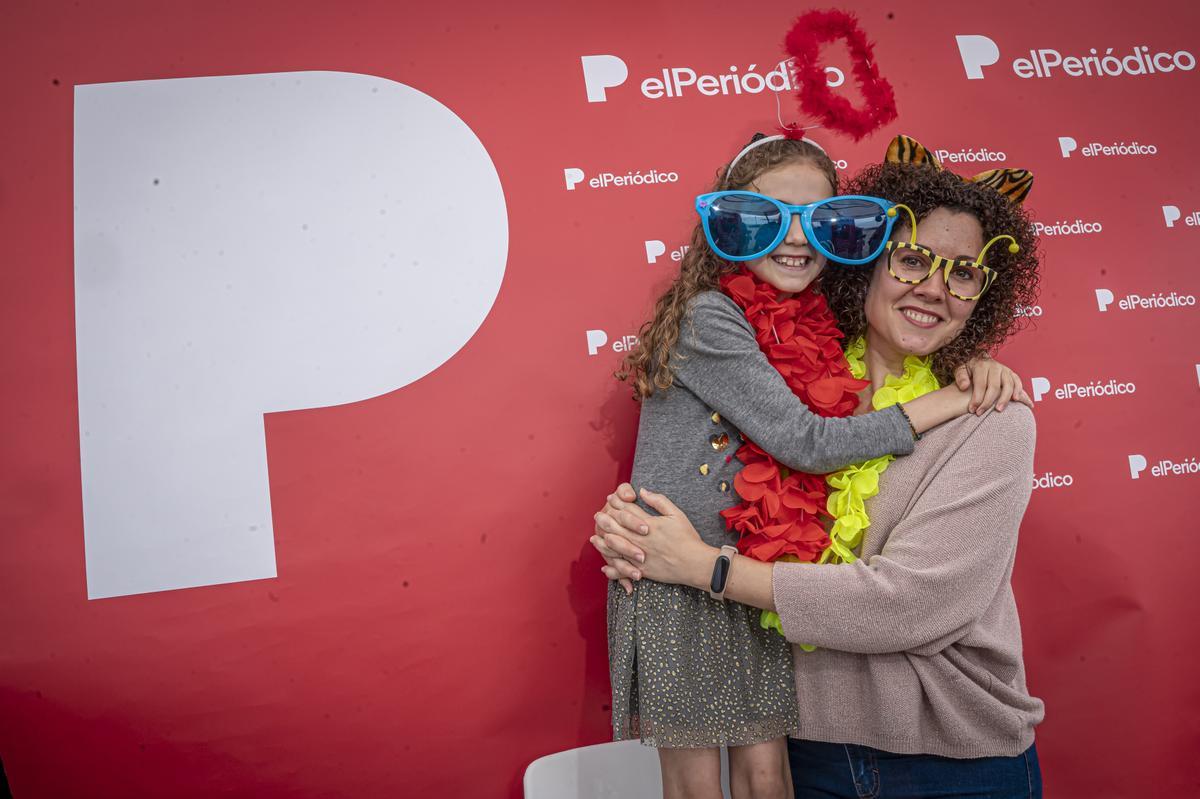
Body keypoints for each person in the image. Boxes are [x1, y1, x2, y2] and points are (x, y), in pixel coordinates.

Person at [595, 135, 1046, 799]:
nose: (933, 288)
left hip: (948, 769)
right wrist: (633, 527)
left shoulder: (990, 416)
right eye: (913, 259)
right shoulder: (797, 367)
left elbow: (906, 606)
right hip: (814, 754)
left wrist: (704, 566)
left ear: (984, 297)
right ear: (867, 260)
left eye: (964, 273)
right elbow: (744, 452)